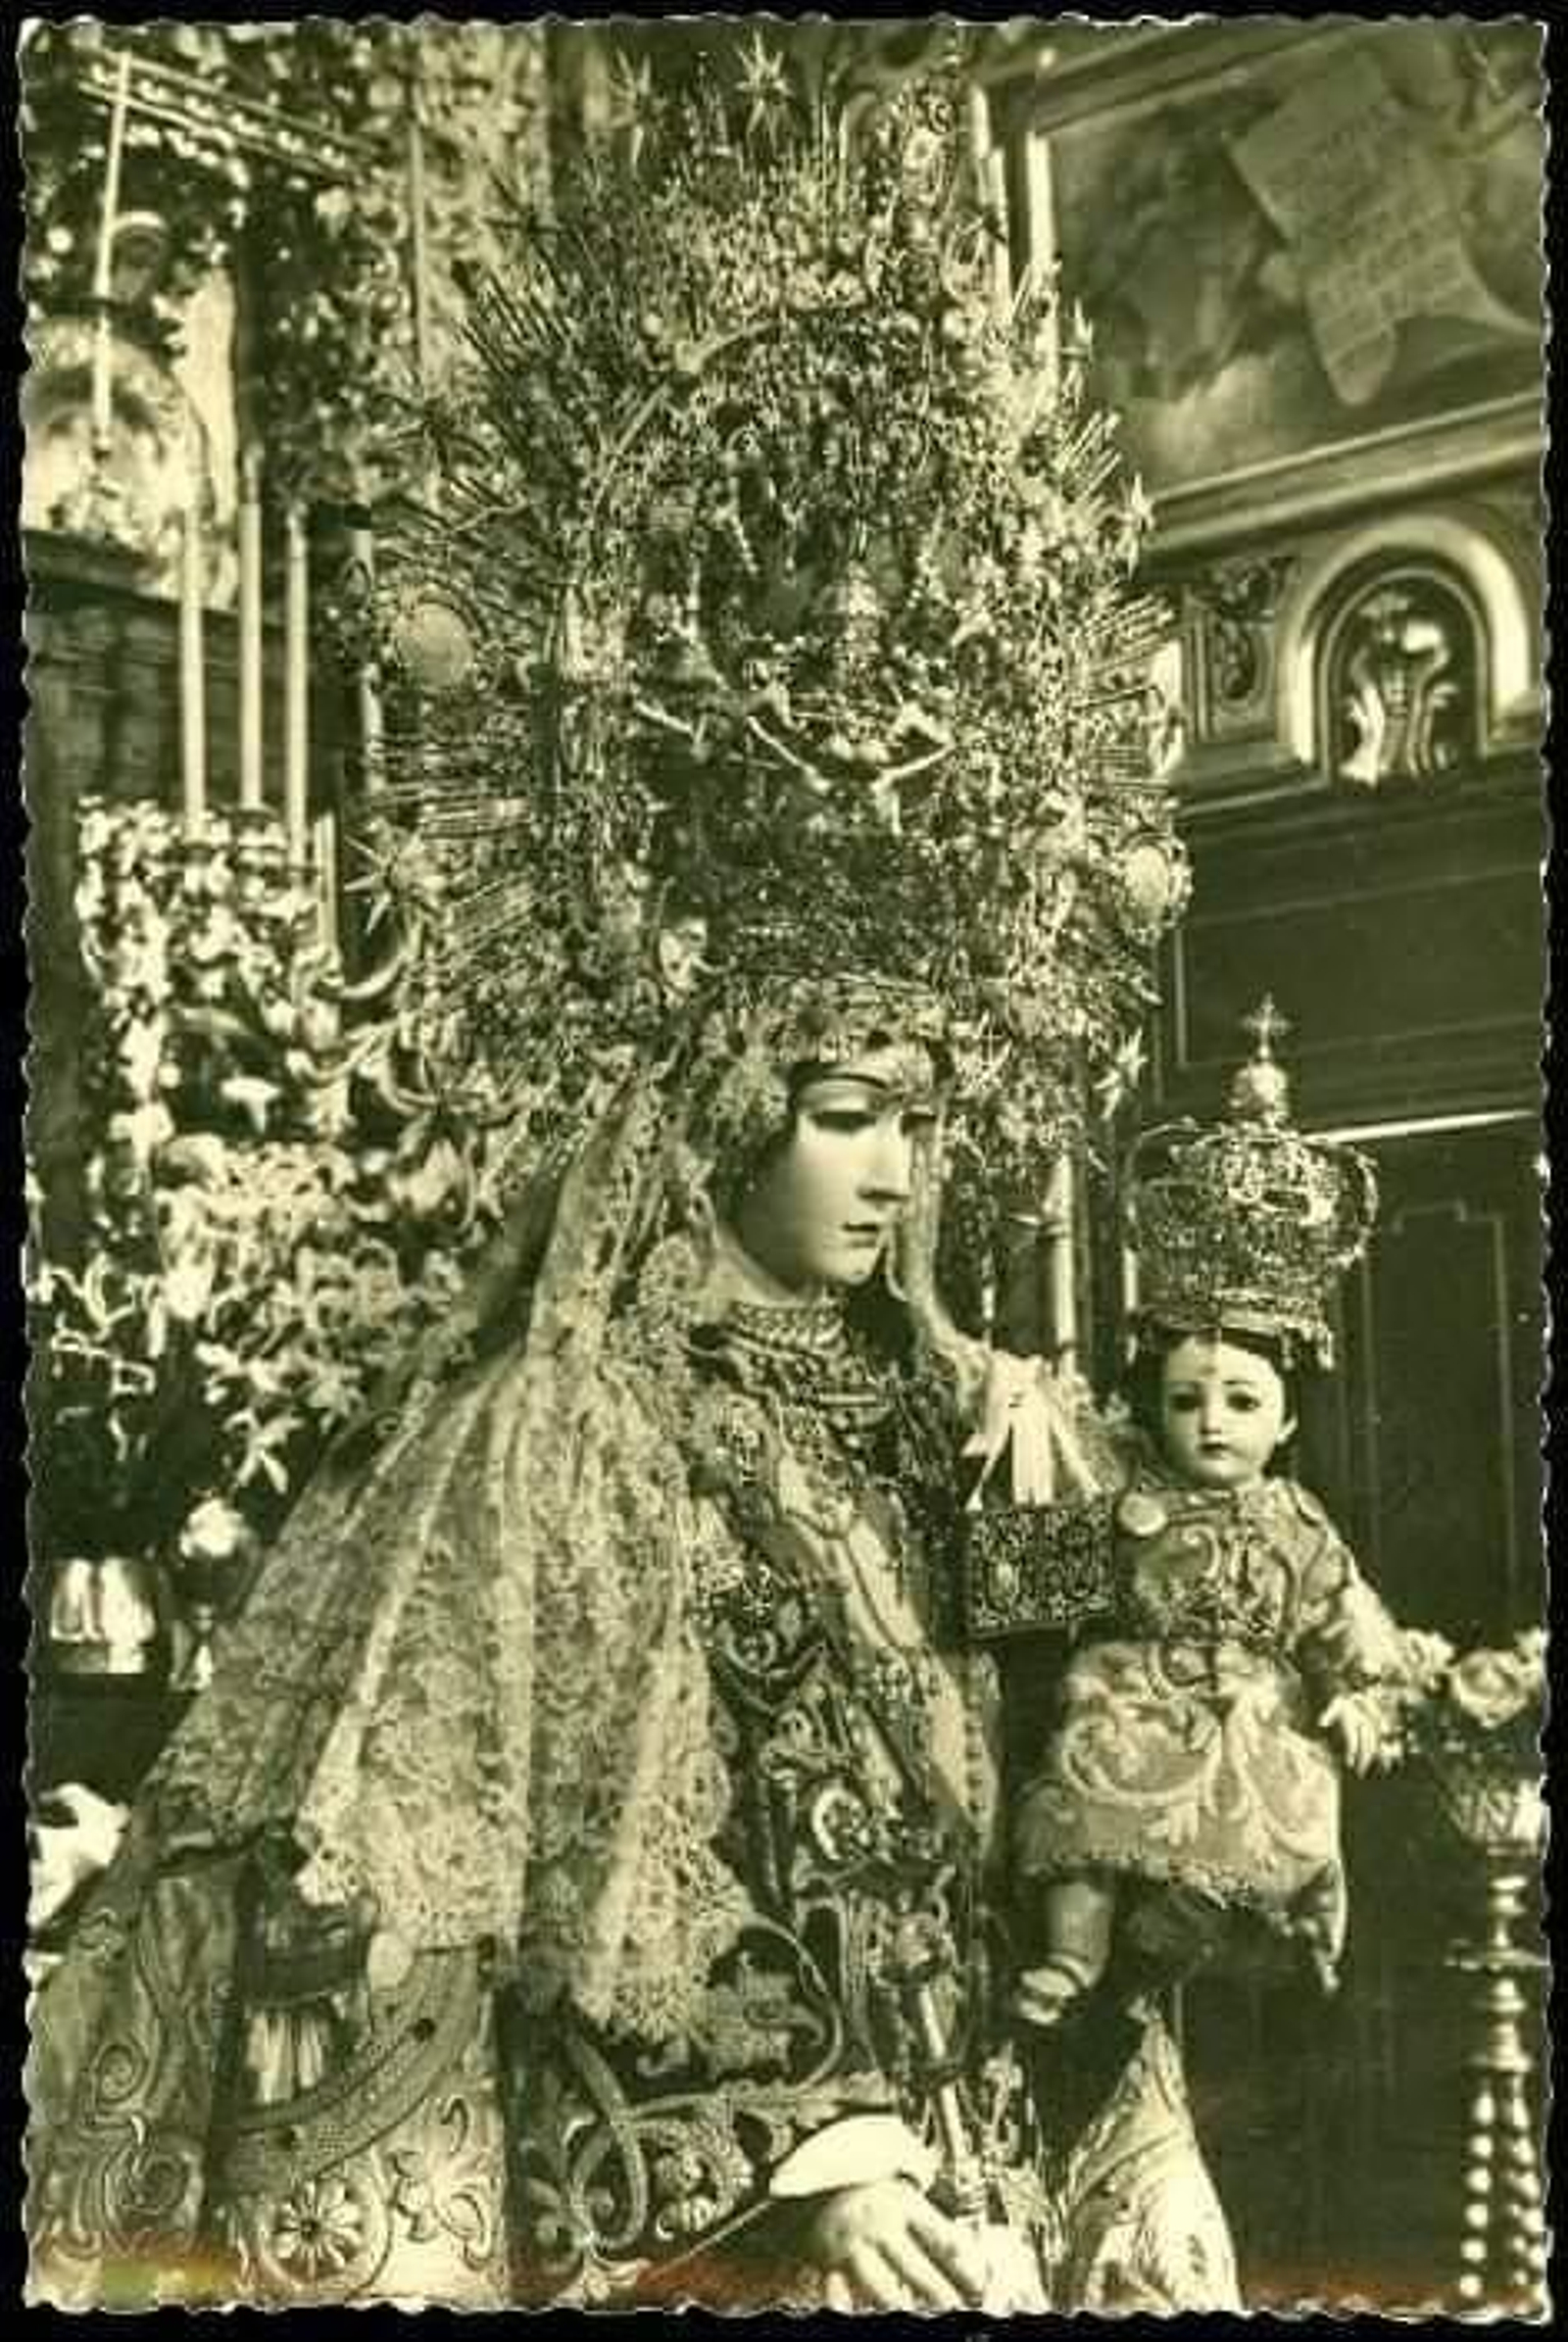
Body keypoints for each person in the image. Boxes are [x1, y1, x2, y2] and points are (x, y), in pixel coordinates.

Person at [24, 34, 1232, 2315]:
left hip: (976, 2163)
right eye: (845, 1109)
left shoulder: (967, 1409)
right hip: (751, 2225)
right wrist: (808, 2164)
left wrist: (1098, 1563)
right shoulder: (561, 1437)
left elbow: (1066, 1811)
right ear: (723, 1111)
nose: (894, 1168)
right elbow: (501, 1885)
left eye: (920, 1113)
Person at [974, 1004, 1412, 2032]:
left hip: (1254, 1700)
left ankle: (1264, 1918)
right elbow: (1025, 1579)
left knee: (1289, 1769)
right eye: (1187, 1399)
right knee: (1085, 1766)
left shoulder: (1298, 1519)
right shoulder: (1118, 1476)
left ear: (1286, 1418)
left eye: (1242, 1401)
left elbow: (1341, 1620)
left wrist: (1352, 1694)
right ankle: (1074, 1951)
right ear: (1155, 1406)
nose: (1213, 1420)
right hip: (1132, 1689)